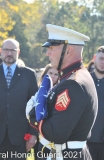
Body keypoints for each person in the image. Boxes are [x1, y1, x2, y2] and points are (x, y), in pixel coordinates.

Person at [26, 24, 97, 160]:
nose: (48, 53)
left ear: (68, 50)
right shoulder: (74, 76)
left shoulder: (73, 83)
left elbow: (55, 133)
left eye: (52, 48)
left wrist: (33, 116)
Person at [0, 38, 38, 159]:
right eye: (6, 50)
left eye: (13, 50)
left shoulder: (29, 75)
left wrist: (33, 133)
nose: (9, 53)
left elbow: (34, 107)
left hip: (19, 137)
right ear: (1, 51)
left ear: (18, 52)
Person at [87, 46, 104, 159]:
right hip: (85, 141)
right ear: (94, 58)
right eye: (101, 58)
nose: (103, 62)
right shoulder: (84, 81)